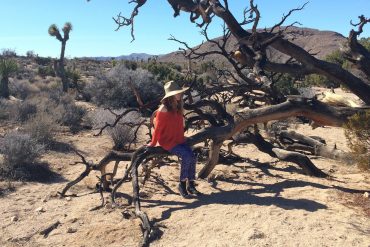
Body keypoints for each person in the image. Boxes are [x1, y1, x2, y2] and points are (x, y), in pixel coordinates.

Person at [148, 80, 201, 198]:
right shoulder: (163, 109)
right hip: (167, 141)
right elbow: (157, 129)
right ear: (170, 95)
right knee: (187, 155)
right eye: (177, 93)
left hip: (178, 139)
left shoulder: (177, 105)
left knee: (192, 155)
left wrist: (182, 136)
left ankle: (191, 185)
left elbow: (177, 125)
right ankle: (182, 184)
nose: (179, 95)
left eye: (179, 93)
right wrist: (153, 143)